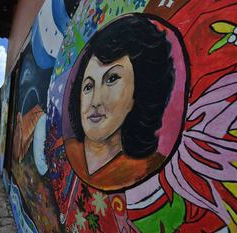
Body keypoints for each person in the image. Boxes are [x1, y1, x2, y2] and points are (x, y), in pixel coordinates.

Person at [65, 14, 175, 191]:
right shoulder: (66, 152)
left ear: (138, 93)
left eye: (112, 79)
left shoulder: (147, 170)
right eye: (88, 86)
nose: (95, 101)